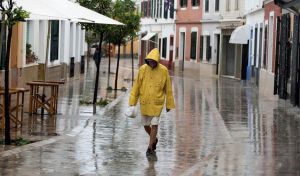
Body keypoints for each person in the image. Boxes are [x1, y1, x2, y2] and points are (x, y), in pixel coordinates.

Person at [129, 48, 175, 156]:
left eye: (154, 61)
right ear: (148, 60)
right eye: (150, 61)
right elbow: (136, 86)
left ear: (157, 61)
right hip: (145, 103)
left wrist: (169, 104)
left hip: (157, 104)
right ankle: (154, 139)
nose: (152, 63)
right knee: (146, 125)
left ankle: (150, 147)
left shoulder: (163, 70)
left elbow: (168, 88)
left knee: (154, 124)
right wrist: (132, 102)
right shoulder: (142, 69)